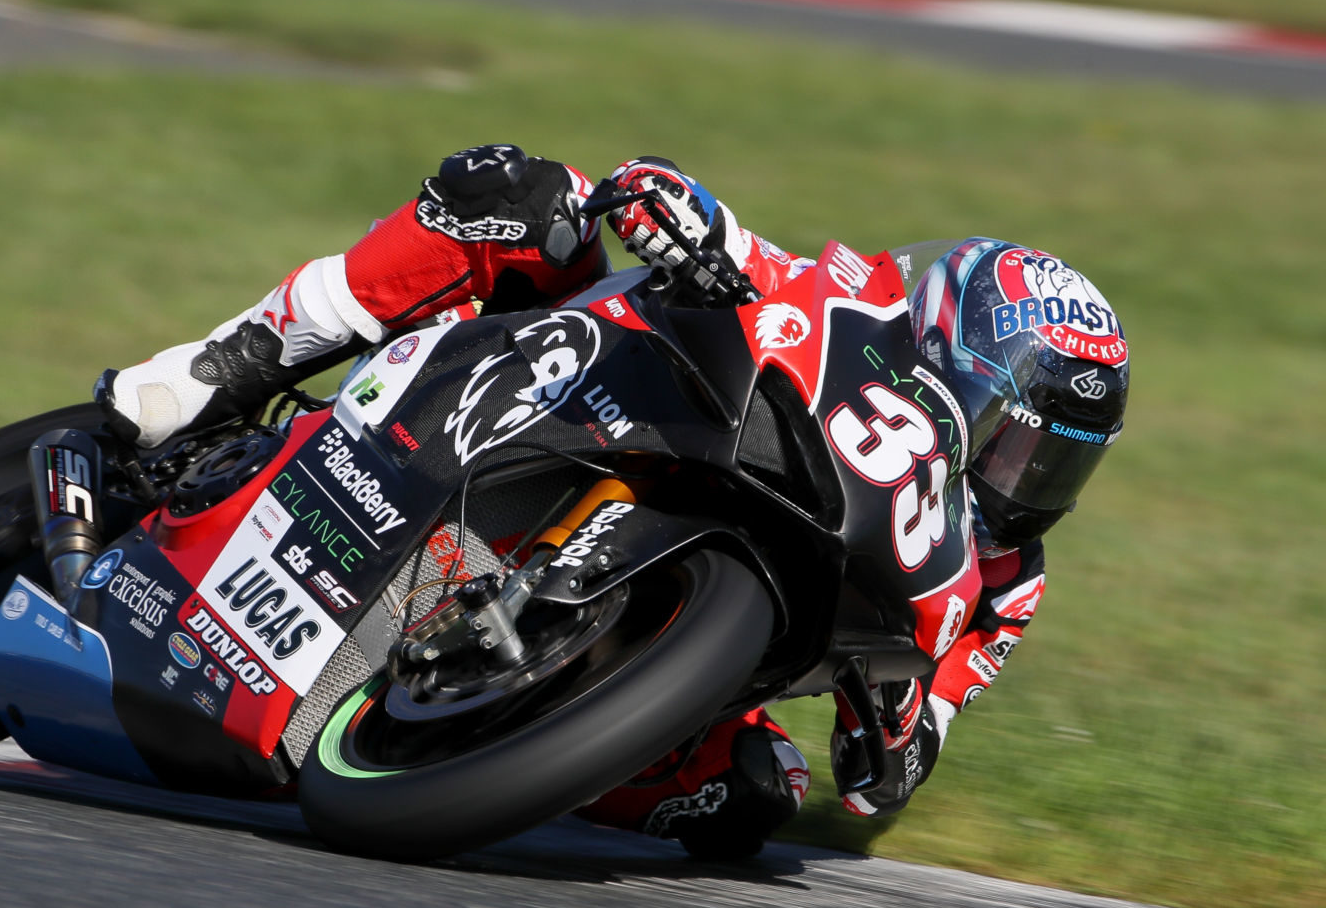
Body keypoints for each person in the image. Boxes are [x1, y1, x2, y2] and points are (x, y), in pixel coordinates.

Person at [96, 144, 1128, 859]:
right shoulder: (855, 300)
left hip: (736, 620)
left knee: (752, 791)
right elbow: (725, 235)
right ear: (945, 352)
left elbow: (888, 774)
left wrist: (893, 720)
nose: (1019, 479)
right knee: (518, 193)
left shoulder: (1005, 584)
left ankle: (491, 744)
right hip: (590, 403)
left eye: (1052, 463)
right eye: (1013, 439)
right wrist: (672, 211)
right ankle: (213, 369)